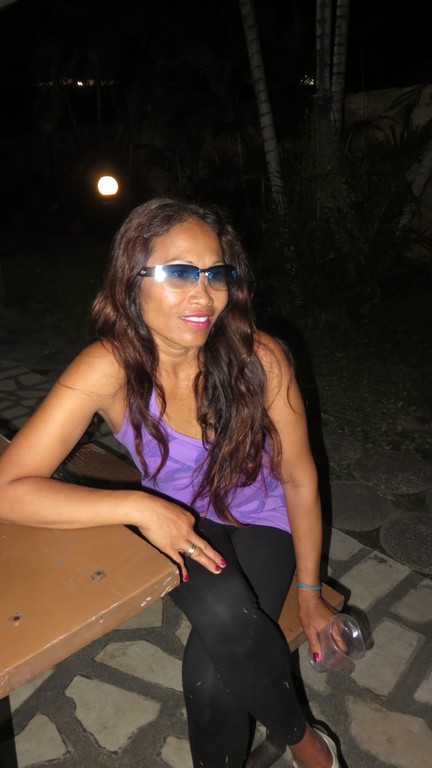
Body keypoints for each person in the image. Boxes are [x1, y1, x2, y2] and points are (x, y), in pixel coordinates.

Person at [0, 198, 340, 768]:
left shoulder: (260, 359)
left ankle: (305, 744)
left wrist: (309, 593)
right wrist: (138, 508)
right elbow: (9, 488)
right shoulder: (109, 367)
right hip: (175, 519)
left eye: (215, 274)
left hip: (262, 517)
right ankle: (310, 746)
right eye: (180, 272)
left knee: (210, 674)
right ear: (132, 279)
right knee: (224, 624)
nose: (204, 295)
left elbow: (300, 480)